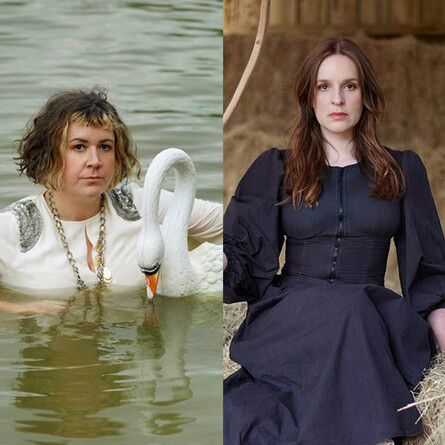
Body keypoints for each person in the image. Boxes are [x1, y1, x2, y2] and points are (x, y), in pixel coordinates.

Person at [223, 38, 445, 445]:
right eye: (324, 86)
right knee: (346, 309)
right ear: (309, 97)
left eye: (350, 86)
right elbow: (242, 262)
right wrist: (214, 261)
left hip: (369, 319)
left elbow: (429, 276)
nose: (337, 98)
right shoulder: (278, 168)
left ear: (367, 95)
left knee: (353, 306)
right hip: (289, 318)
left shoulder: (402, 170)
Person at [0, 89, 222, 314]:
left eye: (105, 147)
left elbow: (233, 223)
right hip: (48, 342)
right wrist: (19, 309)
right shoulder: (11, 227)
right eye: (79, 147)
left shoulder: (144, 204)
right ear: (48, 155)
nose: (95, 161)